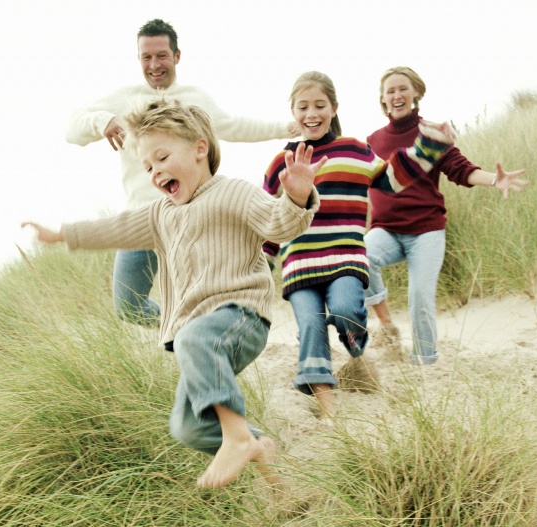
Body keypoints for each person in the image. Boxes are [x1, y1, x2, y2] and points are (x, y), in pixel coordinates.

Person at [23, 99, 323, 489]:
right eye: (147, 166)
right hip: (200, 336)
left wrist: (297, 196)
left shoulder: (234, 192)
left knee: (193, 337)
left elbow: (280, 225)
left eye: (162, 157)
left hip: (241, 316)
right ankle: (266, 463)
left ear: (200, 149)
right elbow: (115, 228)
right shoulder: (160, 214)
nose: (155, 171)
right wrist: (62, 233)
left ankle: (236, 440)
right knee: (188, 426)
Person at [65, 18, 298, 326]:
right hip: (143, 219)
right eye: (146, 57)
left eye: (161, 55)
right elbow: (72, 129)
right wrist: (103, 121)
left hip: (192, 219)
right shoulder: (124, 99)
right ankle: (184, 325)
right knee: (128, 307)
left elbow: (234, 126)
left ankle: (209, 332)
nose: (154, 64)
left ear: (177, 56)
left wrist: (286, 128)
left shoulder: (195, 99)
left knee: (203, 294)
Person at [262, 71, 456, 418]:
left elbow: (393, 179)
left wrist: (430, 146)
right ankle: (329, 411)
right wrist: (263, 263)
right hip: (299, 264)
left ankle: (357, 354)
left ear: (333, 108)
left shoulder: (354, 150)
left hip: (345, 258)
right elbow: (268, 220)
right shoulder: (282, 162)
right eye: (303, 107)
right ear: (292, 112)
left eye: (320, 105)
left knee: (346, 312)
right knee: (311, 326)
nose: (312, 114)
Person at [364, 66, 529, 365]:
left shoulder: (433, 135)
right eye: (390, 91)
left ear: (416, 92)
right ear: (383, 99)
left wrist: (495, 179)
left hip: (426, 232)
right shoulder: (372, 141)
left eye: (403, 88)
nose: (397, 95)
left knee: (419, 299)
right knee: (358, 256)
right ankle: (386, 325)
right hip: (386, 230)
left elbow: (462, 170)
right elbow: (358, 177)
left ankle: (426, 362)